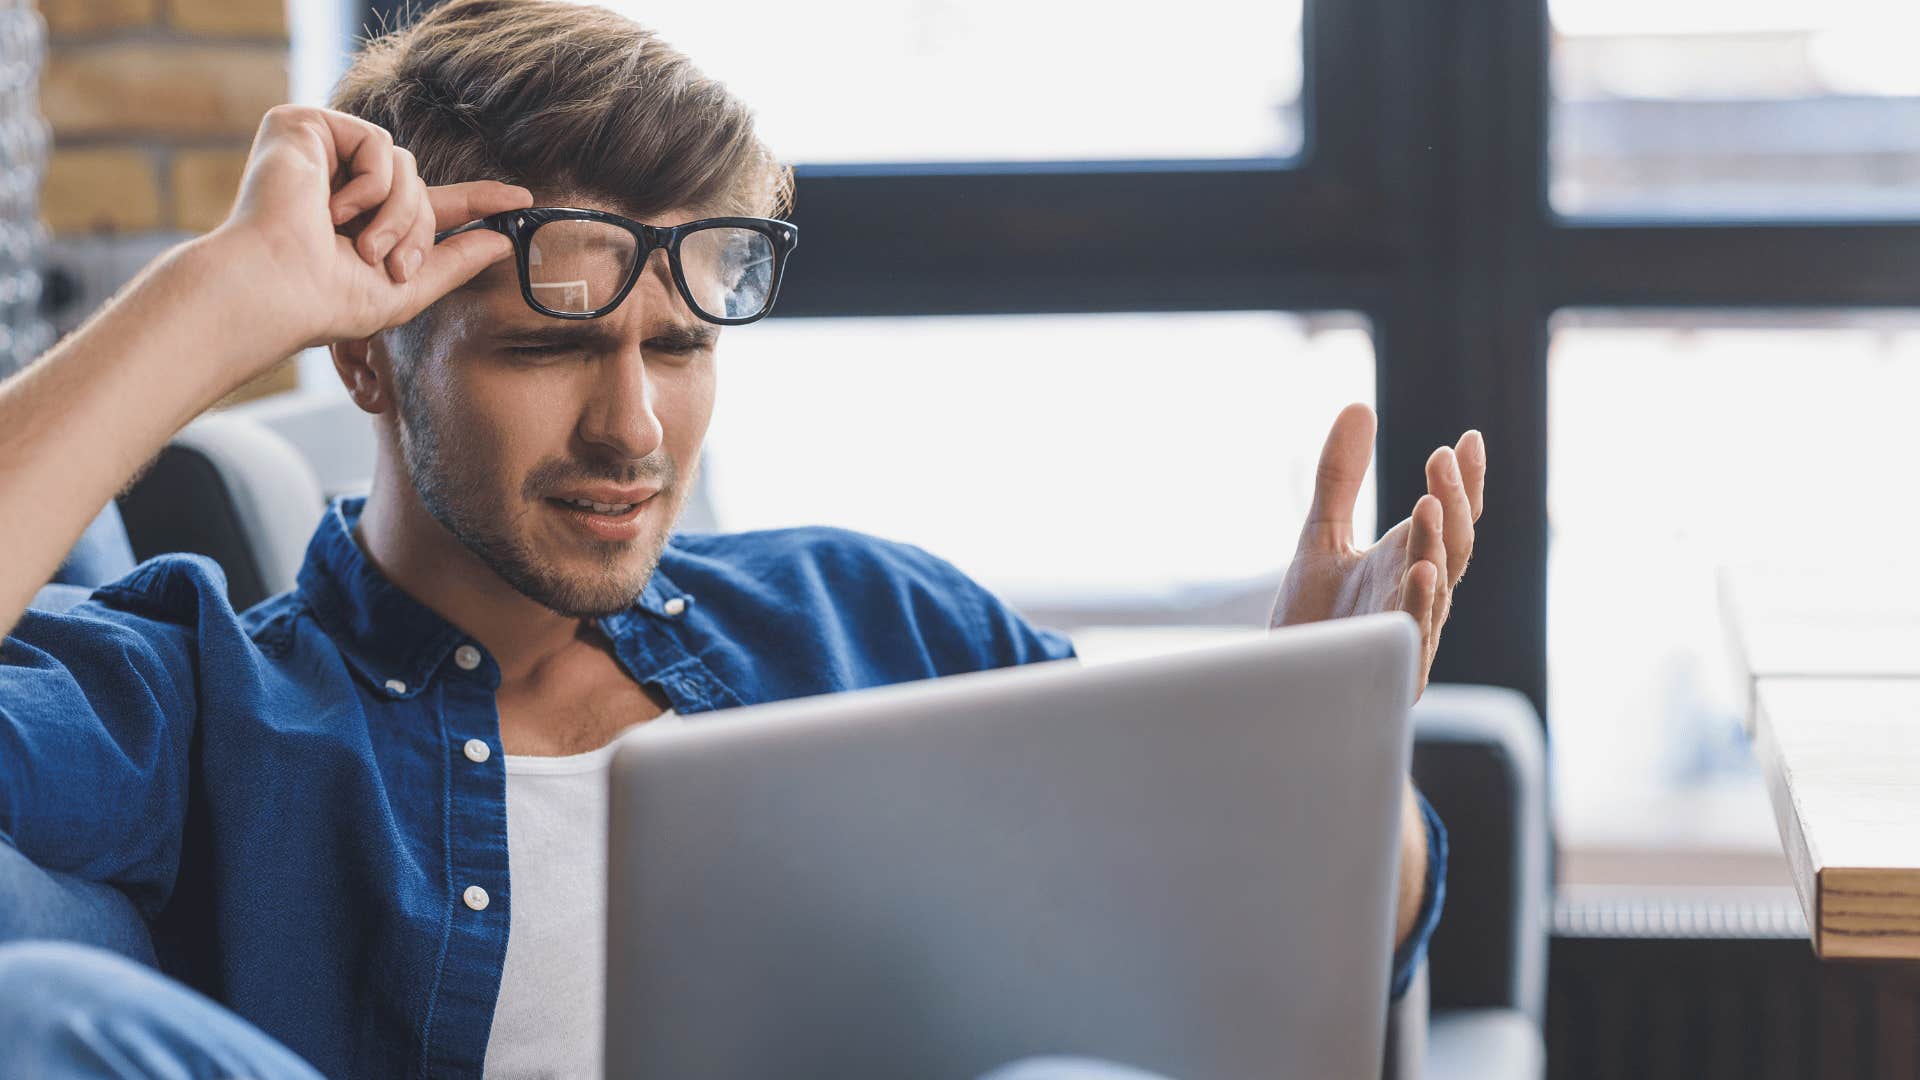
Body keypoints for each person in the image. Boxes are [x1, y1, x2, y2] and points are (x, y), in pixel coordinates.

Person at [0, 0, 1484, 1075]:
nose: (634, 431)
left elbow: (1336, 952)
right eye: (543, 351)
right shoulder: (205, 697)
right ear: (372, 356)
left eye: (682, 349)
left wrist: (1318, 750)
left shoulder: (867, 622)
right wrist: (222, 298)